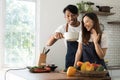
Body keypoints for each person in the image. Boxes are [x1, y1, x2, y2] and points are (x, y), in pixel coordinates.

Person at [46, 4, 81, 70]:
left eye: (73, 15)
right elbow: (48, 44)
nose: (70, 18)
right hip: (70, 58)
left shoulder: (84, 26)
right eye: (68, 16)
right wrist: (55, 36)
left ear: (77, 14)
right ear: (64, 17)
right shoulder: (63, 28)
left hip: (84, 58)